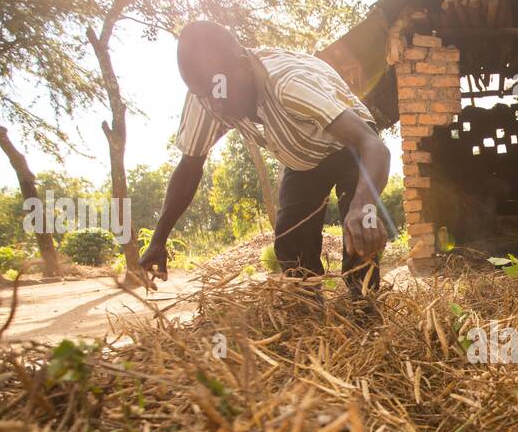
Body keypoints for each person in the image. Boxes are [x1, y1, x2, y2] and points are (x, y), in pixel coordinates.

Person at [140, 20, 390, 300]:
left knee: (358, 231)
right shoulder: (207, 97)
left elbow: (373, 145)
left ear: (243, 64)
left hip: (350, 144)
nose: (216, 104)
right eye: (206, 95)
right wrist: (159, 238)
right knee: (290, 243)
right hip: (300, 153)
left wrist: (362, 207)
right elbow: (189, 167)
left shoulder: (288, 83)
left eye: (220, 89)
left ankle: (365, 312)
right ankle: (308, 315)